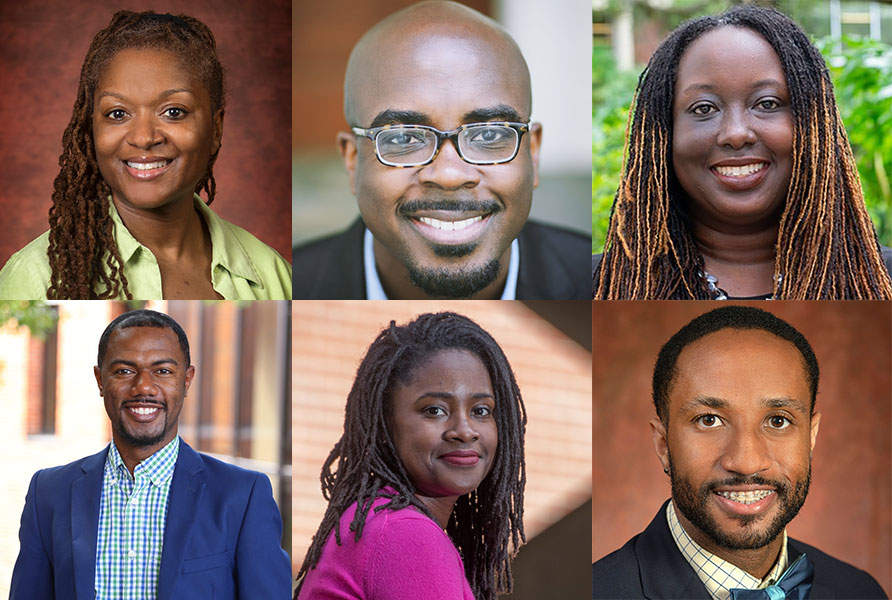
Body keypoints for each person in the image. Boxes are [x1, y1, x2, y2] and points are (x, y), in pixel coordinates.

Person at [292, 1, 593, 300]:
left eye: (489, 134)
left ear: (533, 153)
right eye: (403, 139)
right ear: (352, 160)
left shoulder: (598, 280)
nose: (449, 174)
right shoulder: (288, 287)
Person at [593, 5, 892, 299]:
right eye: (704, 108)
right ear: (664, 134)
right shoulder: (602, 287)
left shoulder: (877, 281)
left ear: (814, 124)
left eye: (767, 104)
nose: (736, 134)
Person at [0, 11, 292, 300]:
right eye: (118, 113)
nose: (144, 137)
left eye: (174, 112)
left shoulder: (274, 275)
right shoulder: (34, 278)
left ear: (215, 129)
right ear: (91, 129)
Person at [592, 305, 887, 599]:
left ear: (811, 436)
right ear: (663, 444)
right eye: (709, 420)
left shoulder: (860, 591)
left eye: (778, 421)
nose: (746, 463)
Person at [9, 309, 292, 599]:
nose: (143, 386)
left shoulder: (242, 496)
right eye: (124, 371)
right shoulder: (49, 493)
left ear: (187, 380)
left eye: (163, 371)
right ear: (100, 380)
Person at [295, 312, 527, 600]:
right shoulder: (405, 534)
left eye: (481, 410)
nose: (465, 432)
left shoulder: (382, 520)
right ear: (385, 423)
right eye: (435, 410)